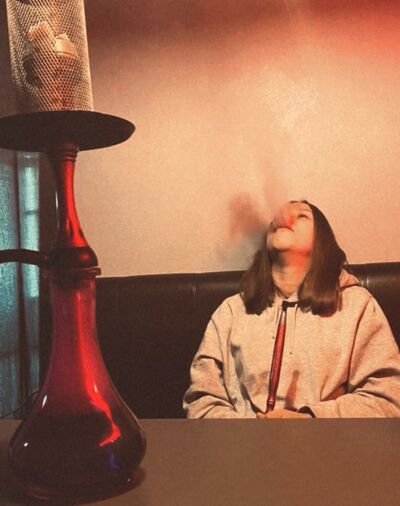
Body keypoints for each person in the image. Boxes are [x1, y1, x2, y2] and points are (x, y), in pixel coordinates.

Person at [183, 201, 400, 418]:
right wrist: (250, 430)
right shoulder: (231, 311)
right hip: (240, 439)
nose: (284, 217)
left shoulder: (356, 306)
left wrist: (311, 419)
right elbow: (201, 401)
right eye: (278, 216)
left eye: (302, 215)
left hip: (327, 439)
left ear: (321, 240)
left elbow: (388, 396)